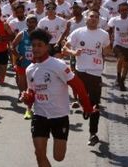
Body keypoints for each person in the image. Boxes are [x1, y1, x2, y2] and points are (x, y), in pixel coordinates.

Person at [20, 28, 94, 167]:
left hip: (59, 116)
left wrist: (87, 107)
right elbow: (32, 94)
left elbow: (78, 85)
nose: (36, 48)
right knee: (39, 154)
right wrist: (27, 98)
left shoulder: (58, 65)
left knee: (58, 157)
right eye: (33, 45)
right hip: (40, 116)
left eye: (39, 45)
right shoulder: (30, 69)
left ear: (47, 47)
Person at [63, 10, 109, 146]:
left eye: (96, 17)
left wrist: (108, 52)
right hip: (80, 72)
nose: (94, 19)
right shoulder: (78, 32)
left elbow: (107, 50)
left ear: (99, 19)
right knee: (84, 101)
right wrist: (73, 52)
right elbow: (64, 49)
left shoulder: (104, 34)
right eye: (91, 17)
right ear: (86, 18)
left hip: (96, 74)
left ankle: (93, 133)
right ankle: (85, 107)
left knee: (95, 104)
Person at [11, 15, 38, 120]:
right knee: (23, 85)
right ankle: (28, 108)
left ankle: (32, 107)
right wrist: (18, 56)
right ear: (26, 23)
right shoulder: (22, 34)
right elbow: (12, 46)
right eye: (29, 22)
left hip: (36, 64)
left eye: (33, 22)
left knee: (33, 86)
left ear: (36, 23)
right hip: (23, 63)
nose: (31, 24)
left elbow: (47, 47)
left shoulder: (39, 34)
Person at [108, 2, 128, 91]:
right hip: (118, 44)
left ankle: (122, 81)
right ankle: (118, 77)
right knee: (121, 58)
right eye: (122, 10)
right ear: (119, 11)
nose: (124, 12)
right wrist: (109, 40)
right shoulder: (114, 20)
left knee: (126, 64)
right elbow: (109, 28)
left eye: (126, 10)